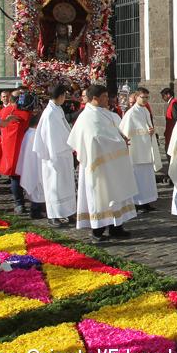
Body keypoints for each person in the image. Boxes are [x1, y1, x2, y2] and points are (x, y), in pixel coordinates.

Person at [68, 84, 139, 242]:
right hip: (98, 166)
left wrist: (121, 137)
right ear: (95, 98)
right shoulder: (88, 117)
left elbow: (112, 131)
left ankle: (116, 228)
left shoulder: (103, 112)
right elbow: (95, 138)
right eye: (105, 96)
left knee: (115, 193)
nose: (108, 99)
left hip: (112, 163)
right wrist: (119, 142)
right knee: (100, 196)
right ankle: (97, 231)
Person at [33, 84, 77, 228]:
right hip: (55, 156)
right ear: (60, 96)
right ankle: (53, 215)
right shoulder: (50, 113)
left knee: (67, 185)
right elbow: (50, 137)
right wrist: (55, 155)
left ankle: (68, 211)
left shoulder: (57, 109)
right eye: (64, 95)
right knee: (55, 185)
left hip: (64, 153)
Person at [119, 87, 162, 213]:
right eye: (143, 97)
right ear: (136, 97)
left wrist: (151, 131)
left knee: (147, 179)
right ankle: (137, 203)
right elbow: (124, 131)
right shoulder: (131, 113)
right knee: (138, 179)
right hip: (136, 151)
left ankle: (147, 202)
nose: (145, 100)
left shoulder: (145, 110)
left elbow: (147, 127)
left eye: (147, 97)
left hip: (146, 149)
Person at [0, 90, 33, 214]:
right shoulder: (26, 112)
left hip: (10, 150)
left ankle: (19, 203)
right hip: (23, 149)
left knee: (15, 178)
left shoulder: (4, 111)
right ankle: (29, 203)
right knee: (22, 177)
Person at [17, 112, 45, 219]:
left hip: (31, 167)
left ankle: (37, 209)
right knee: (37, 186)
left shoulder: (29, 133)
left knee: (36, 188)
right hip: (35, 167)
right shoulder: (34, 135)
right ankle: (35, 210)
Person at [161, 87, 177, 154]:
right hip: (170, 131)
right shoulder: (172, 102)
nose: (162, 98)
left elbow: (176, 119)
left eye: (163, 96)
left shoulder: (173, 103)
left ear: (168, 95)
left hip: (172, 132)